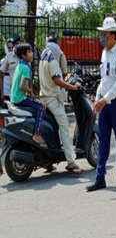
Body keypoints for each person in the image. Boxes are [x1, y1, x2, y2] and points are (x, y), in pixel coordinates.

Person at [87, 16, 116, 192]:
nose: (102, 38)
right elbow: (104, 79)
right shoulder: (104, 53)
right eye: (102, 35)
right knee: (103, 139)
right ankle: (100, 178)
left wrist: (105, 99)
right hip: (104, 102)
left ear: (114, 36)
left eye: (105, 35)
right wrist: (98, 97)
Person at [39, 40, 82, 173]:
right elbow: (58, 80)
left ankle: (48, 161)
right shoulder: (53, 60)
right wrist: (73, 87)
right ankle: (71, 161)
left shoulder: (43, 57)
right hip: (52, 99)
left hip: (43, 98)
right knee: (64, 126)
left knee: (53, 127)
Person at [11, 44, 46, 146]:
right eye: (29, 52)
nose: (32, 54)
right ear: (23, 55)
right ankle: (36, 134)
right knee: (42, 107)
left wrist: (32, 94)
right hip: (20, 99)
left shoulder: (20, 65)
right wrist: (31, 92)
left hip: (15, 97)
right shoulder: (26, 68)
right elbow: (22, 86)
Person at [0, 37, 20, 101]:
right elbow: (1, 76)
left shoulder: (21, 57)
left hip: (16, 92)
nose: (11, 49)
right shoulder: (3, 61)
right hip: (6, 92)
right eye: (9, 48)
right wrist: (2, 93)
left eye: (12, 47)